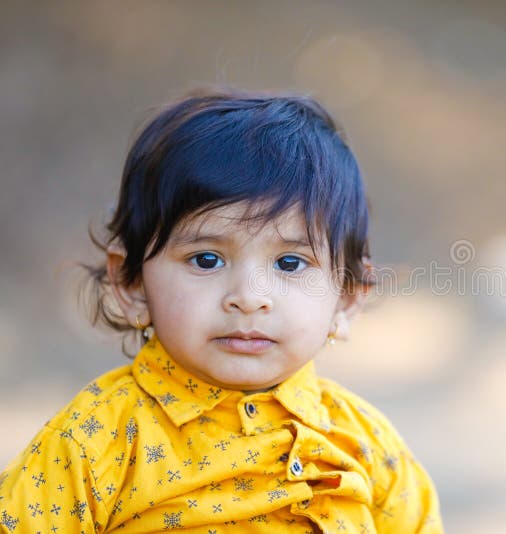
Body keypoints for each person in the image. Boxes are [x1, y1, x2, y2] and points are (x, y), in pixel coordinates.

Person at [0, 86, 443, 533]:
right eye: (206, 259)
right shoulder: (95, 441)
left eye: (290, 263)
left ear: (346, 298)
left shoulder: (366, 444)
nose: (249, 297)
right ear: (131, 283)